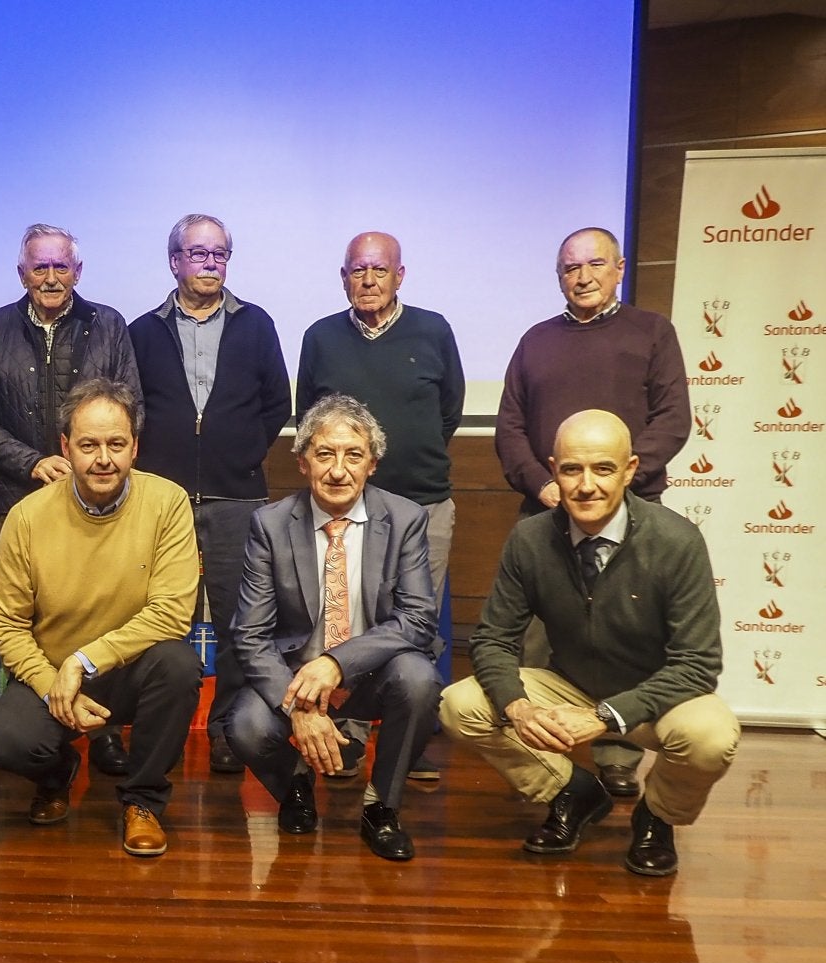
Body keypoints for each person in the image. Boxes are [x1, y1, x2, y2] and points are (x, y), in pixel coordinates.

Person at [441, 410, 739, 877]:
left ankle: (655, 817)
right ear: (553, 469)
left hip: (654, 698)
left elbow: (697, 665)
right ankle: (573, 792)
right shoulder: (531, 538)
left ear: (630, 470)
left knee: (710, 738)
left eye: (603, 469)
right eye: (571, 469)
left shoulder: (676, 540)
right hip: (569, 684)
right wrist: (519, 708)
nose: (586, 486)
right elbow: (493, 639)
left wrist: (605, 716)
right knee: (461, 704)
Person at [494, 226, 690, 799]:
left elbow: (673, 420)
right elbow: (508, 426)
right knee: (528, 639)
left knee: (625, 635)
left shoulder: (653, 332)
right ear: (559, 276)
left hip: (632, 514)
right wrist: (544, 483)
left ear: (620, 267)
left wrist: (614, 489)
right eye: (570, 268)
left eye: (594, 264)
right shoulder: (535, 341)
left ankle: (617, 753)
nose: (582, 276)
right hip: (545, 514)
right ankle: (537, 750)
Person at [0, 378, 202, 857]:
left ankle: (142, 801)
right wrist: (51, 683)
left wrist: (84, 661)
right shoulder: (27, 517)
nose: (103, 458)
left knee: (180, 665)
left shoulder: (168, 503)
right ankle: (57, 773)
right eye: (88, 445)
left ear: (135, 447)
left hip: (130, 669)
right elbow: (6, 623)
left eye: (116, 444)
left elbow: (171, 613)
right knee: (8, 742)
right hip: (53, 671)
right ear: (66, 447)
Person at [226, 395, 443, 861]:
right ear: (302, 462)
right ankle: (296, 786)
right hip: (297, 677)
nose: (338, 470)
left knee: (420, 679)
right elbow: (250, 634)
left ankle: (381, 808)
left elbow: (418, 619)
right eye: (324, 454)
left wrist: (336, 663)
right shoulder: (270, 524)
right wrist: (299, 707)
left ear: (373, 464)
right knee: (244, 726)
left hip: (372, 672)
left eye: (353, 455)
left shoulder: (405, 519)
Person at [0, 222, 142, 777]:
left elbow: (131, 409)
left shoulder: (107, 325)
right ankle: (40, 737)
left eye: (60, 266)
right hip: (20, 503)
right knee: (26, 621)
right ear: (22, 273)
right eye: (38, 267)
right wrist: (32, 462)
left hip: (101, 504)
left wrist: (89, 466)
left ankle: (105, 726)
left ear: (77, 272)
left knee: (101, 612)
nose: (50, 277)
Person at [294, 231, 464, 784]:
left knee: (414, 626)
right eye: (357, 270)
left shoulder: (433, 329)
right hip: (346, 506)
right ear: (343, 277)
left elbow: (449, 411)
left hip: (423, 502)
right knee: (349, 621)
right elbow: (309, 417)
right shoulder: (320, 336)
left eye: (379, 270)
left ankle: (406, 743)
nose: (368, 280)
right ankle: (349, 735)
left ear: (400, 274)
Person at [128, 213, 290, 775]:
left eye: (219, 253)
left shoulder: (256, 324)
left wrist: (243, 451)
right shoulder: (143, 330)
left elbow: (277, 404)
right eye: (198, 254)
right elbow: (133, 409)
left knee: (239, 619)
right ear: (175, 262)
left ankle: (226, 728)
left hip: (236, 496)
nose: (210, 262)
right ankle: (158, 730)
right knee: (158, 618)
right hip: (160, 499)